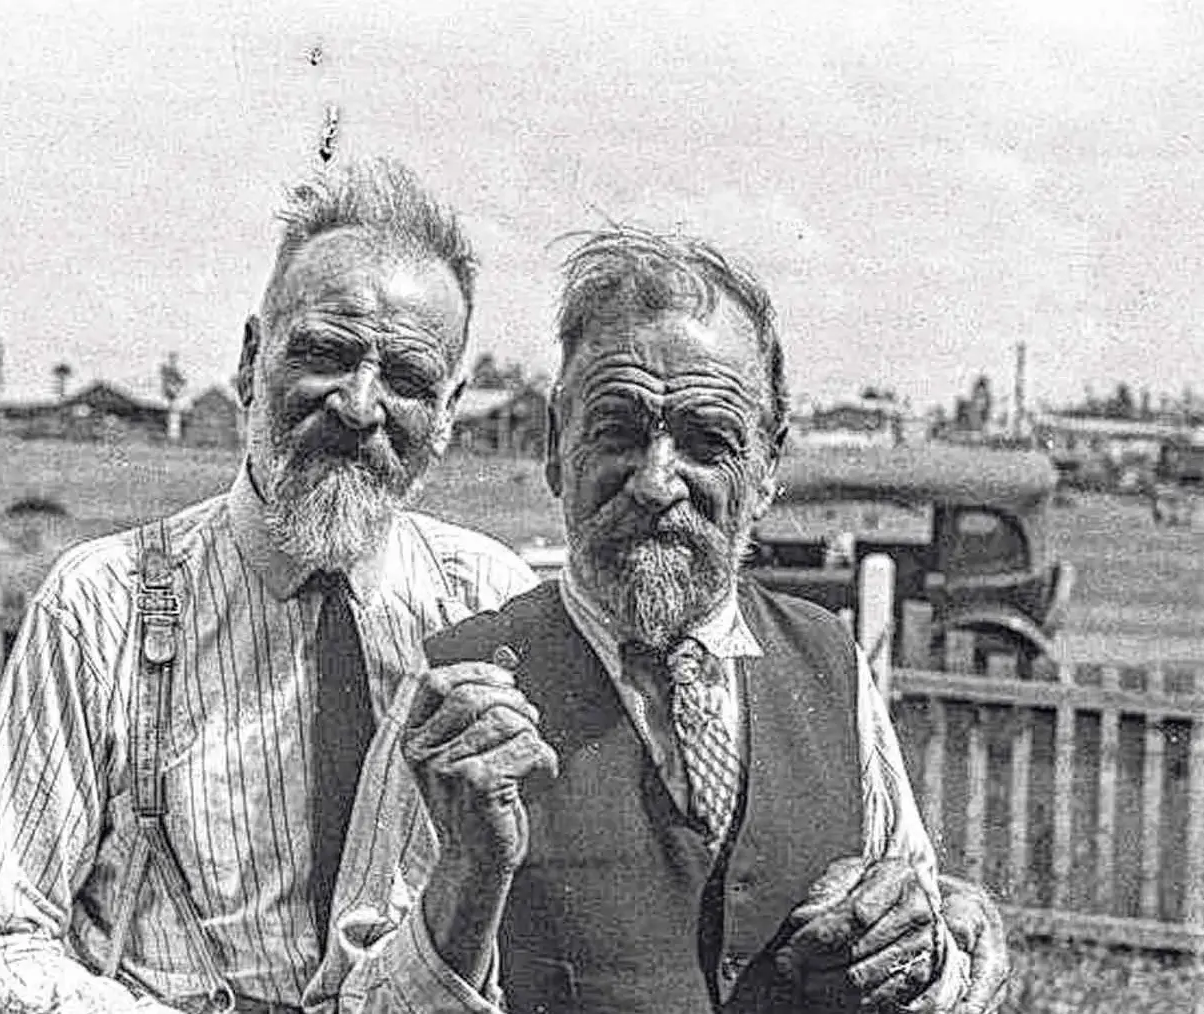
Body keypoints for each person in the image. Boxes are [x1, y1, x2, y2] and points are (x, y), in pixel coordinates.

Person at [307, 226, 1010, 1013]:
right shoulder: (454, 703)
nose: (656, 481)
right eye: (618, 432)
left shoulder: (828, 666)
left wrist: (930, 955)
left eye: (708, 441)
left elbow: (930, 956)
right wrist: (469, 879)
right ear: (555, 446)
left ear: (768, 468)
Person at [0, 157, 539, 1014]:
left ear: (446, 412)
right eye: (325, 354)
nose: (360, 406)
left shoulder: (490, 604)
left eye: (406, 379)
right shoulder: (102, 606)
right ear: (252, 362)